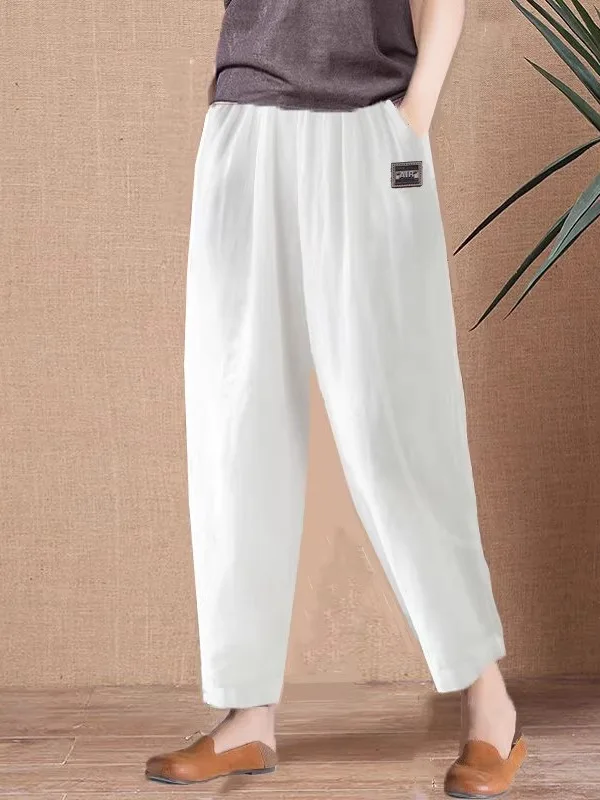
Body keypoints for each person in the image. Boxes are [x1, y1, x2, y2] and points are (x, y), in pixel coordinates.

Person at [145, 0, 527, 796]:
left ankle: (489, 705)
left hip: (369, 128)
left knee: (397, 427)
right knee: (235, 422)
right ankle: (247, 716)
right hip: (245, 121)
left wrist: (411, 122)